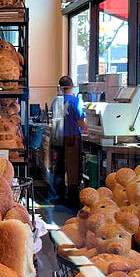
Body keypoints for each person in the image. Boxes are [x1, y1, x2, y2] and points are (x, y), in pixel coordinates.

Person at [50, 75, 87, 209]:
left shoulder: (56, 101)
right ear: (72, 86)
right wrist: (86, 129)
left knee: (59, 168)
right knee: (73, 170)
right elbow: (80, 121)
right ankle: (72, 200)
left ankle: (58, 197)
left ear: (60, 87)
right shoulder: (76, 101)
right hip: (72, 139)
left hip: (58, 139)